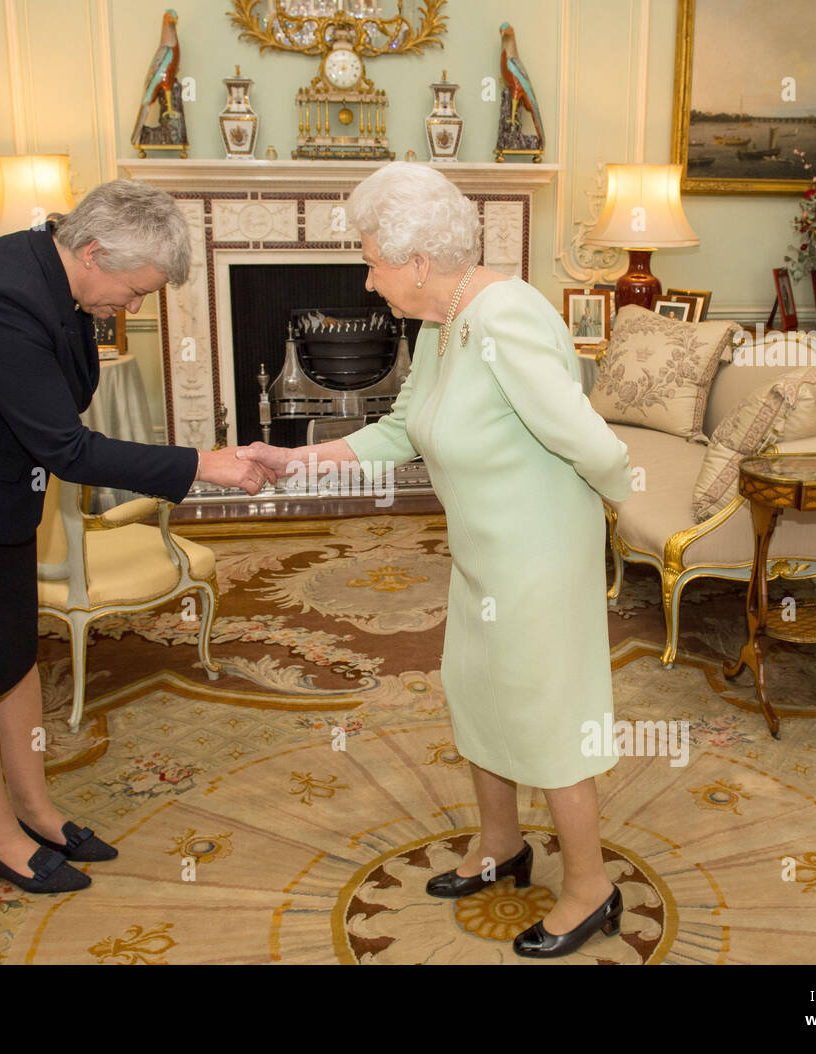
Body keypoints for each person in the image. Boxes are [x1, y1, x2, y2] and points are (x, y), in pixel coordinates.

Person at [239, 162, 632, 958]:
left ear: (419, 261)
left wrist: (635, 500)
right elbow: (402, 430)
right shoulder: (439, 322)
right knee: (477, 688)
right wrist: (298, 459)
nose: (367, 274)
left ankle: (591, 888)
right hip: (484, 551)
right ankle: (501, 846)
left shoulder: (507, 316)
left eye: (373, 256)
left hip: (539, 554)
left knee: (546, 711)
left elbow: (589, 440)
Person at [0, 179, 275, 894]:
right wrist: (203, 464)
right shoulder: (0, 297)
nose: (131, 309)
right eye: (133, 292)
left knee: (11, 658)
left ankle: (37, 811)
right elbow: (66, 448)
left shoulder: (60, 280)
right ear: (95, 249)